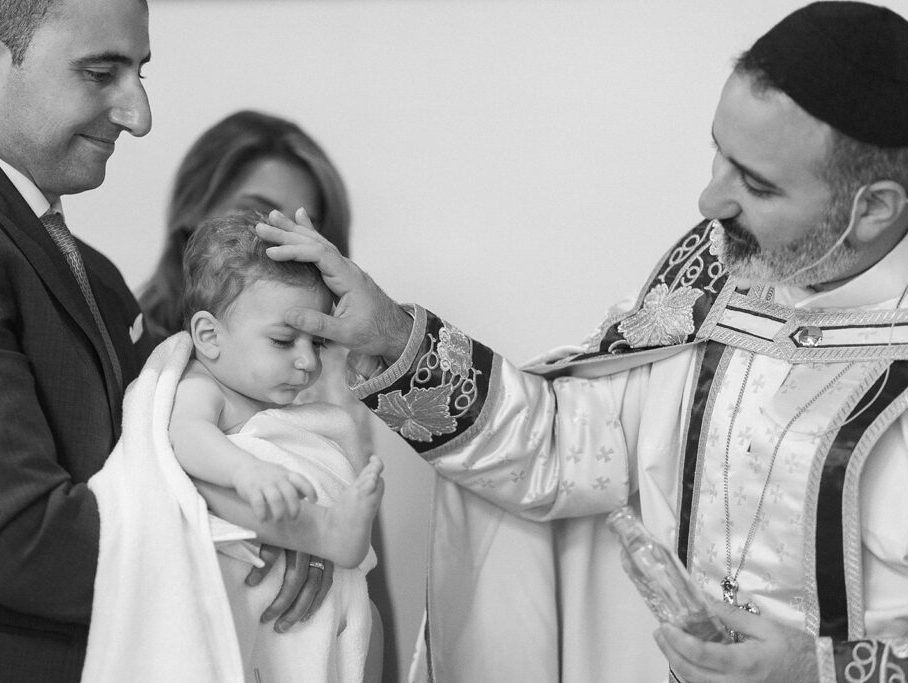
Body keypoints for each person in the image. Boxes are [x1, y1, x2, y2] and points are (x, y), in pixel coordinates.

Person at [256, 2, 908, 681]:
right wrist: (392, 335)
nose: (709, 202)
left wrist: (827, 668)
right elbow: (567, 447)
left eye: (757, 183)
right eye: (720, 153)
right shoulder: (713, 277)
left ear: (875, 208)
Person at [0, 3, 319, 680]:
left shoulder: (96, 273)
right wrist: (261, 543)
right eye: (100, 72)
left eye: (138, 72)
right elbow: (17, 538)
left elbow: (177, 460)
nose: (138, 115)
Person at [139, 110, 399, 675]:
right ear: (194, 212)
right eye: (253, 214)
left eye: (298, 230)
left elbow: (362, 545)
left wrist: (327, 549)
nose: (271, 243)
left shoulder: (333, 379)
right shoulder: (149, 361)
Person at [169, 212, 384, 681]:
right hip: (245, 578)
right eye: (284, 341)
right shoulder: (202, 387)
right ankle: (326, 532)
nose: (307, 362)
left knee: (367, 633)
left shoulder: (262, 397)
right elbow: (185, 437)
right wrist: (245, 470)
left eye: (318, 344)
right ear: (209, 336)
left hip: (316, 587)